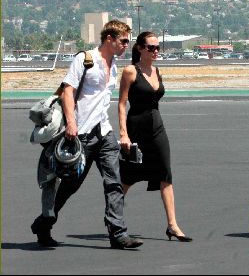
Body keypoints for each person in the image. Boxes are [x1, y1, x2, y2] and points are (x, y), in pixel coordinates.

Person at [31, 20, 143, 250]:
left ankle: (118, 233)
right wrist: (71, 122)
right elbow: (68, 90)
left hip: (104, 132)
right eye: (123, 41)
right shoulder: (85, 59)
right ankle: (45, 222)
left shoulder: (113, 65)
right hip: (80, 135)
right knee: (71, 185)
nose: (126, 45)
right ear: (110, 39)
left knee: (114, 182)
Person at [118, 31, 192, 242]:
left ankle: (173, 226)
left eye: (158, 47)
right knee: (128, 177)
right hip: (136, 129)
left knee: (165, 174)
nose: (156, 51)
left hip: (157, 127)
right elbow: (122, 104)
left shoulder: (157, 70)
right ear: (140, 48)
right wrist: (123, 133)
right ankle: (113, 218)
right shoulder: (130, 71)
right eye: (151, 48)